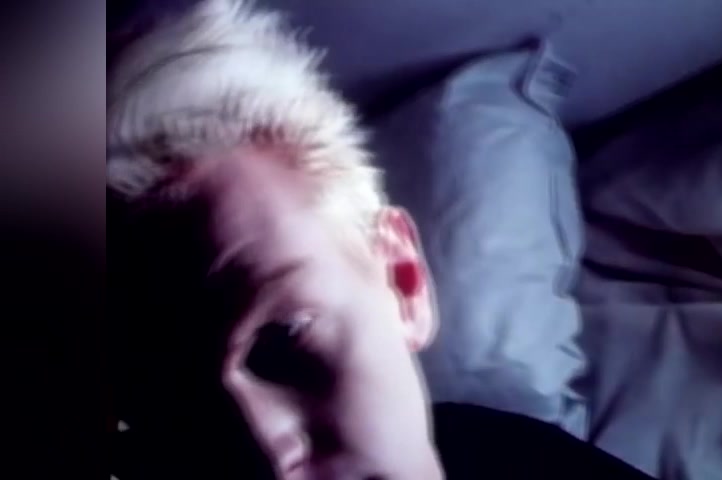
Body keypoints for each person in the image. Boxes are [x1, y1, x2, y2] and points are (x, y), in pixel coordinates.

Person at [108, 1, 652, 479]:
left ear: (402, 280)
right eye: (179, 407)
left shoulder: (529, 461)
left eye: (284, 339)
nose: (266, 456)